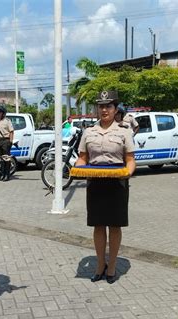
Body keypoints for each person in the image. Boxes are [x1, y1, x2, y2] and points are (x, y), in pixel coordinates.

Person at [76, 91, 136, 284]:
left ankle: (112, 266)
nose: (104, 110)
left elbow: (130, 160)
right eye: (101, 106)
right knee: (98, 224)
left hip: (117, 182)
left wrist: (128, 172)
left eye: (108, 106)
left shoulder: (124, 131)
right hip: (95, 181)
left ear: (115, 109)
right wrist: (77, 168)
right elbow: (83, 157)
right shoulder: (89, 132)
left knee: (115, 225)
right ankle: (100, 264)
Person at [0, 105, 14, 181]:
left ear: (3, 113)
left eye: (0, 112)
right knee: (1, 160)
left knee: (6, 159)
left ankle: (7, 175)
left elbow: (11, 131)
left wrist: (10, 141)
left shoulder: (7, 121)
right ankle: (2, 175)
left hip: (5, 141)